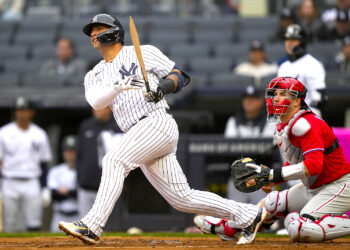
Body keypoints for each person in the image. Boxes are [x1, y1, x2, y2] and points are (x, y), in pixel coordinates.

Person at [58, 13, 267, 245]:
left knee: (113, 161)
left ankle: (93, 225)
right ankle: (247, 214)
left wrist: (160, 89)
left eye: (98, 28)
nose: (93, 34)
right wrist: (119, 86)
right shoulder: (94, 73)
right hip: (137, 132)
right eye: (91, 31)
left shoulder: (143, 52)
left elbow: (180, 76)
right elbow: (96, 102)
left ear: (114, 32)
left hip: (156, 122)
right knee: (181, 198)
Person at [194, 76, 350, 243]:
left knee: (298, 227)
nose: (276, 98)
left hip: (338, 185)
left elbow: (314, 166)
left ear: (297, 101)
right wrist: (273, 176)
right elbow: (296, 159)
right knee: (272, 203)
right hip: (313, 187)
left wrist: (273, 174)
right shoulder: (284, 125)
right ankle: (230, 227)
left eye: (283, 94)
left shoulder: (305, 124)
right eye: (274, 93)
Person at [0, 96, 52, 232]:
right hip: (9, 181)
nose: (21, 113)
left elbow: (44, 163)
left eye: (24, 110)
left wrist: (45, 187)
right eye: (18, 110)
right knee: (9, 223)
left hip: (32, 181)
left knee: (34, 222)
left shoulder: (39, 134)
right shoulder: (4, 132)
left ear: (31, 112)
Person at [224, 85, 277, 205]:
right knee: (235, 216)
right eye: (246, 98)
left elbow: (267, 147)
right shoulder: (234, 120)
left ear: (260, 101)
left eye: (253, 98)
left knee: (264, 214)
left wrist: (243, 149)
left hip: (262, 174)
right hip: (237, 176)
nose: (249, 101)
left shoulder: (270, 120)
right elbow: (229, 147)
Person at [76, 107, 122, 218]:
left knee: (107, 223)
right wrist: (80, 177)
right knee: (84, 221)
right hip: (86, 185)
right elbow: (79, 154)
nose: (97, 110)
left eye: (101, 108)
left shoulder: (118, 127)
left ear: (109, 109)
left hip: (109, 186)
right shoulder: (86, 126)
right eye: (95, 108)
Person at [278, 24, 326, 117]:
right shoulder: (283, 67)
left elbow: (319, 98)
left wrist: (306, 118)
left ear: (302, 42)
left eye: (294, 40)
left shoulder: (313, 64)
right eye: (287, 39)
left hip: (306, 117)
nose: (289, 43)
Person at [47, 135, 79, 232]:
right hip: (59, 216)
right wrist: (71, 193)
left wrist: (65, 192)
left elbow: (81, 195)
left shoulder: (83, 171)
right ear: (63, 152)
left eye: (72, 151)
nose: (70, 154)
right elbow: (53, 195)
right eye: (67, 151)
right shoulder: (55, 171)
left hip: (79, 215)